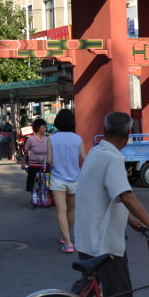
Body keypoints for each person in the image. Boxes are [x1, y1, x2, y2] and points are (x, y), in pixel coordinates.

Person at [31, 112, 149, 297]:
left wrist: (131, 221)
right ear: (127, 135)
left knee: (84, 288)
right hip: (104, 243)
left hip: (87, 237)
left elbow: (108, 193)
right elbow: (126, 195)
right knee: (121, 293)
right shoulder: (112, 158)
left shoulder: (97, 152)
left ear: (105, 130)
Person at [47, 109, 85, 254]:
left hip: (58, 178)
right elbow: (84, 157)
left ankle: (68, 242)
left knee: (61, 210)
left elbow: (49, 160)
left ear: (57, 122)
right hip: (75, 177)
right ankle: (66, 236)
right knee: (71, 209)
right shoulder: (78, 139)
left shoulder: (51, 139)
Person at [23, 118, 51, 205]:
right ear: (38, 128)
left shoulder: (47, 139)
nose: (45, 128)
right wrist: (23, 162)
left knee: (45, 184)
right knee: (34, 184)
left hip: (45, 165)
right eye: (43, 126)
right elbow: (26, 151)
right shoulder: (31, 139)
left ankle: (44, 200)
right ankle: (34, 200)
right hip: (34, 165)